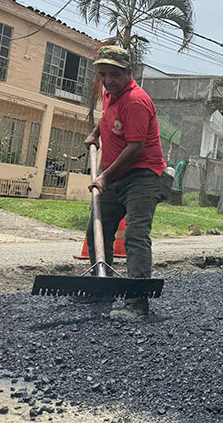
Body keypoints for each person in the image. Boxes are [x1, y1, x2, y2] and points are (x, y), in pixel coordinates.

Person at [80, 45, 171, 321]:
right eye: (103, 74)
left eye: (114, 74)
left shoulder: (136, 101)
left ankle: (137, 302)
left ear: (129, 73)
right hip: (116, 174)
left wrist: (104, 176)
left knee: (135, 237)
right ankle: (101, 286)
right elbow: (108, 116)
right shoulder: (110, 93)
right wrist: (95, 133)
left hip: (143, 175)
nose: (108, 80)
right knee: (96, 228)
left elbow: (135, 148)